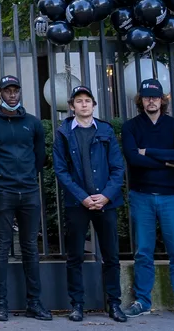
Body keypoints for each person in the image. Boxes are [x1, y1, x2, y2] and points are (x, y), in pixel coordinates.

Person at [0, 75, 51, 322]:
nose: (12, 94)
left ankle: (34, 303)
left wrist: (27, 176)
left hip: (28, 191)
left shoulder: (33, 123)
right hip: (1, 192)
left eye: (16, 90)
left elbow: (40, 157)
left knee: (30, 248)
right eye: (7, 90)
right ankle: (1, 304)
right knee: (1, 247)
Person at [52, 86, 127, 323]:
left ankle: (114, 303)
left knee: (111, 255)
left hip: (106, 202)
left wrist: (106, 196)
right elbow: (61, 171)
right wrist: (82, 196)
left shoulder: (105, 130)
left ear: (94, 105)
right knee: (75, 256)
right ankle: (77, 305)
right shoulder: (63, 133)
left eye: (87, 100)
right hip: (77, 203)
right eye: (79, 101)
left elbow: (118, 168)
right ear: (71, 106)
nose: (83, 104)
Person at [120, 78, 174, 317]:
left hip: (172, 196)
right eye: (146, 97)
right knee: (143, 251)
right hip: (141, 195)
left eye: (155, 97)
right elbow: (133, 159)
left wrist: (149, 152)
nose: (151, 101)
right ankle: (142, 301)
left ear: (162, 100)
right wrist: (167, 162)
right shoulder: (131, 127)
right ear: (141, 100)